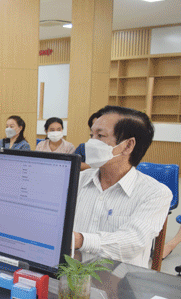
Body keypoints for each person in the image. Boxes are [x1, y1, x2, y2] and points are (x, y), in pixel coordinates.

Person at [73, 105, 172, 268]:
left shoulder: (155, 193)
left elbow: (132, 242)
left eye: (100, 136)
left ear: (128, 145)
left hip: (121, 283)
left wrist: (79, 240)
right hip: (72, 277)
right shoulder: (76, 181)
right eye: (91, 135)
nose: (90, 143)